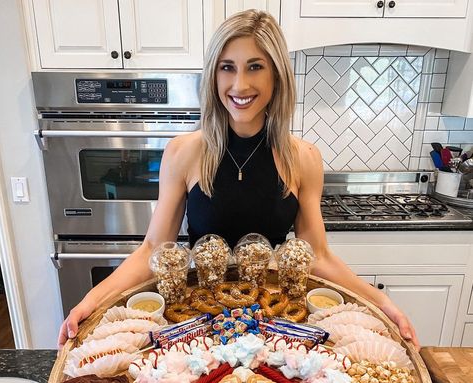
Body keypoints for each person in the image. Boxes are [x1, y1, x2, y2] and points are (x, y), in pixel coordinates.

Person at [58, 9, 419, 350]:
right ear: (214, 75)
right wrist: (89, 303)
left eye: (255, 67)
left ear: (276, 75)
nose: (239, 84)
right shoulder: (184, 153)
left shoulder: (303, 159)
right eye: (227, 67)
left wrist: (383, 303)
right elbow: (153, 250)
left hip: (276, 321)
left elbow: (318, 257)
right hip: (200, 319)